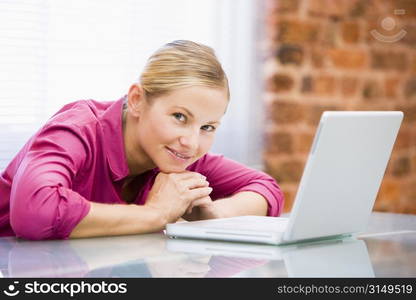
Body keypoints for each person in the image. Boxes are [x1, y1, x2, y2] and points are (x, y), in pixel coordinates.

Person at [0, 40, 284, 240]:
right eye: (179, 116)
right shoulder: (79, 129)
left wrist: (215, 216)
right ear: (137, 100)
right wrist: (156, 214)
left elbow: (266, 189)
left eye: (208, 126)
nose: (192, 142)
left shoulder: (178, 155)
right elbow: (34, 211)